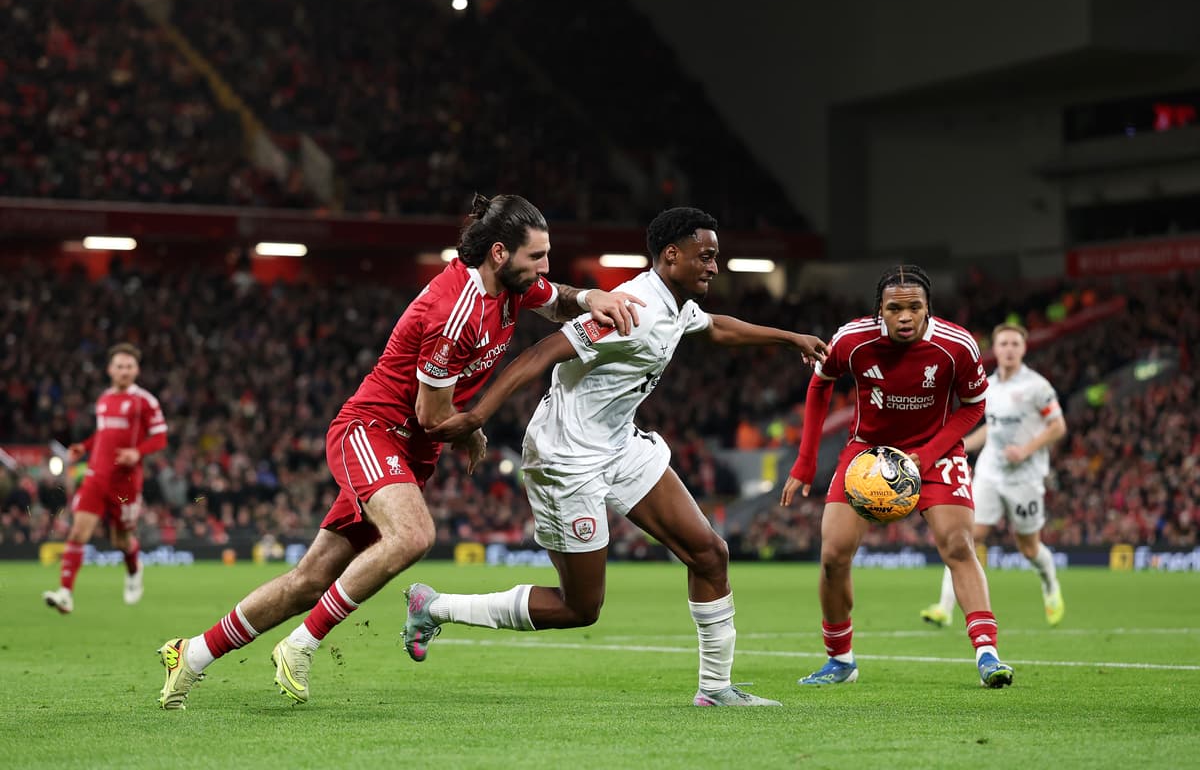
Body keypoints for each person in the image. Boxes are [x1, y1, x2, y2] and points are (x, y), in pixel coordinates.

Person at [155, 194, 644, 709]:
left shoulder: (511, 286)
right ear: (499, 253)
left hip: (411, 452)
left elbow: (557, 297)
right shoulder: (455, 312)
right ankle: (301, 644)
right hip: (372, 432)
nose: (545, 267)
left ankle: (191, 656)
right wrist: (474, 427)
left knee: (310, 580)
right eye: (537, 257)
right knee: (414, 535)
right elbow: (433, 417)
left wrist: (593, 297)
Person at [410, 206, 828, 707]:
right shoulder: (635, 308)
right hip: (566, 458)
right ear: (671, 256)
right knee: (580, 607)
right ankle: (434, 607)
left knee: (709, 553)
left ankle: (716, 691)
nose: (715, 267)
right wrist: (476, 417)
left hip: (619, 444)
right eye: (707, 256)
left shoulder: (675, 304)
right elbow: (541, 354)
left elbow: (715, 327)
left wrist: (789, 339)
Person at [781, 265, 1015, 688]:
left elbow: (974, 407)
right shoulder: (852, 340)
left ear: (928, 309)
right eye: (895, 308)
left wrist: (924, 456)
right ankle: (841, 660)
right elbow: (820, 385)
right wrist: (805, 463)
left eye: (914, 308)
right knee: (833, 554)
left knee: (959, 546)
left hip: (935, 451)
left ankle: (987, 654)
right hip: (866, 455)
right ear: (880, 311)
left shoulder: (957, 345)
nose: (905, 316)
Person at [921, 323, 1067, 627]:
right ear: (995, 349)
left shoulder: (1037, 387)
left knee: (1028, 547)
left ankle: (1050, 585)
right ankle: (944, 608)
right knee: (963, 539)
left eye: (1015, 343)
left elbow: (1058, 427)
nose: (1009, 349)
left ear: (1024, 349)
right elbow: (991, 429)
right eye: (1003, 344)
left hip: (1024, 477)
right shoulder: (988, 386)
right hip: (990, 472)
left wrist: (1025, 450)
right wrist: (955, 444)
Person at [42, 343, 168, 614]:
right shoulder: (104, 400)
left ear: (137, 370)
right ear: (110, 369)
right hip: (96, 476)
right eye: (119, 366)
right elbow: (103, 435)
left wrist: (137, 452)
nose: (124, 371)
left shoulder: (144, 401)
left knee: (120, 540)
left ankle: (134, 568)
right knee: (77, 532)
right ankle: (65, 593)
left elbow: (160, 437)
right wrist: (84, 447)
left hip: (125, 483)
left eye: (129, 366)